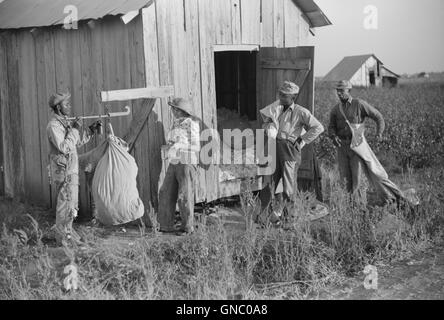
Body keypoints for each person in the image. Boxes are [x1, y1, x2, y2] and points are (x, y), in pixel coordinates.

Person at [259, 81, 324, 223]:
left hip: (289, 150)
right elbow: (266, 122)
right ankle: (273, 214)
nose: (281, 97)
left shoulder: (301, 112)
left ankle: (291, 218)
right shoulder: (276, 108)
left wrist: (302, 140)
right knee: (272, 182)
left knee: (289, 185)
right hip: (275, 147)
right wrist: (268, 126)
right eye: (280, 94)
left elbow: (318, 127)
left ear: (293, 98)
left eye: (284, 95)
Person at [47, 92, 101, 245]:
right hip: (64, 172)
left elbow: (74, 143)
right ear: (58, 107)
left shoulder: (65, 123)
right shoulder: (54, 126)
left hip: (70, 170)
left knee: (71, 205)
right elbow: (64, 147)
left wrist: (89, 131)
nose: (69, 107)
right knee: (66, 205)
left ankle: (67, 234)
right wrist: (75, 130)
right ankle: (64, 240)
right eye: (66, 104)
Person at [328, 80, 385, 195]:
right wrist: (333, 136)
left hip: (357, 145)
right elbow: (331, 127)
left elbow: (378, 117)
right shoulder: (335, 109)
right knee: (344, 178)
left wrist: (379, 133)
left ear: (349, 91)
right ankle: (347, 206)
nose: (339, 93)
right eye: (337, 90)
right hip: (342, 146)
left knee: (357, 177)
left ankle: (359, 207)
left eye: (342, 90)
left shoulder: (358, 104)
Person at [158, 97, 200, 234]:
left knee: (185, 195)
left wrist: (178, 145)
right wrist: (169, 147)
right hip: (175, 161)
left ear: (182, 111)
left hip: (187, 162)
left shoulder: (191, 123)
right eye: (172, 108)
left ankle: (187, 228)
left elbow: (196, 146)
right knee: (166, 191)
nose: (172, 111)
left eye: (175, 109)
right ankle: (165, 225)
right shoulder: (176, 123)